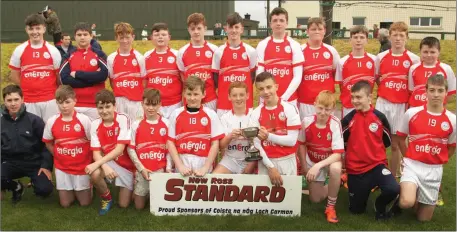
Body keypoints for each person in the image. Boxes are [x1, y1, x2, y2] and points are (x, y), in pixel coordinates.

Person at [396, 74, 456, 221]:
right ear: (426, 91)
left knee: (423, 219)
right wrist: (408, 158)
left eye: (440, 90)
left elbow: (451, 147)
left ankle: (417, 195)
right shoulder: (412, 113)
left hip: (434, 170)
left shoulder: (452, 120)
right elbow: (401, 138)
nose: (436, 94)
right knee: (406, 202)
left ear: (446, 93)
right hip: (413, 165)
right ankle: (406, 192)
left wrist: (438, 163)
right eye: (432, 90)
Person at [341, 80, 399, 220]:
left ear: (369, 97)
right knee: (356, 211)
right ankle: (354, 185)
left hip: (376, 166)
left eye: (359, 97)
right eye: (353, 97)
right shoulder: (348, 120)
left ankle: (379, 206)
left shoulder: (380, 118)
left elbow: (387, 142)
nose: (355, 100)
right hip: (355, 170)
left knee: (393, 189)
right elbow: (341, 143)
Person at [374, 22, 420, 179]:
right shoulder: (380, 57)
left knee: (395, 144)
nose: (398, 38)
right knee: (377, 142)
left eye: (402, 35)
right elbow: (377, 79)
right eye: (395, 35)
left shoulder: (414, 59)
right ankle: (377, 174)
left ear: (407, 37)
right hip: (383, 103)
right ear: (390, 36)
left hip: (401, 105)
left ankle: (393, 177)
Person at [85, 89, 135, 215]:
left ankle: (131, 183)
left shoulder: (123, 119)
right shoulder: (95, 124)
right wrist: (104, 167)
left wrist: (97, 164)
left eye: (108, 106)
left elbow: (120, 149)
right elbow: (96, 153)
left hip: (126, 165)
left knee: (124, 205)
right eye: (100, 107)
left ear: (114, 106)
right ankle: (107, 198)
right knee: (95, 174)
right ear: (96, 108)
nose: (104, 111)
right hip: (108, 161)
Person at [1, 85, 53, 203]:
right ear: (4, 101)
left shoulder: (35, 120)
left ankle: (36, 183)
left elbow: (46, 145)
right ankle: (16, 187)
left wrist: (46, 166)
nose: (13, 104)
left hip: (33, 162)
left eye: (16, 99)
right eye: (9, 100)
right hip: (10, 162)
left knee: (44, 190)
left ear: (22, 99)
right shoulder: (1, 123)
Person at [42, 85, 93, 207]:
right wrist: (58, 154)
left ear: (75, 101)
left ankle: (89, 186)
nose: (64, 106)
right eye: (60, 103)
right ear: (56, 103)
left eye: (67, 102)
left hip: (82, 167)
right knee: (65, 204)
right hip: (62, 167)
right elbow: (47, 142)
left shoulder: (84, 120)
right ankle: (71, 189)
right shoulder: (51, 121)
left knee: (84, 203)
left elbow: (93, 142)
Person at [298, 90, 344, 223]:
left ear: (333, 109)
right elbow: (301, 145)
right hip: (312, 161)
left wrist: (318, 166)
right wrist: (305, 166)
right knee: (315, 199)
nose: (323, 112)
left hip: (328, 162)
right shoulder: (306, 122)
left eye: (327, 109)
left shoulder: (335, 123)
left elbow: (338, 154)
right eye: (320, 108)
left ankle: (330, 206)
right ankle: (337, 183)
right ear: (314, 105)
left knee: (336, 168)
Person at [248, 72, 301, 186]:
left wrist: (268, 136)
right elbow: (256, 144)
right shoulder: (256, 113)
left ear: (276, 86)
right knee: (265, 202)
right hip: (266, 161)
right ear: (258, 91)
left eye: (269, 87)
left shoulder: (290, 109)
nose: (266, 92)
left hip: (287, 160)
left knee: (288, 201)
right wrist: (270, 167)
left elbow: (292, 141)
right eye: (261, 89)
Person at [8, 13, 61, 122]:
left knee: (50, 132)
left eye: (38, 28)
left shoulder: (53, 51)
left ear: (44, 29)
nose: (35, 32)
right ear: (26, 30)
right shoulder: (20, 50)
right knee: (30, 134)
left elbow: (58, 77)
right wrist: (29, 88)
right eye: (31, 29)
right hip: (28, 100)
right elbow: (14, 76)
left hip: (50, 100)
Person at [167, 76, 224, 177]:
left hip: (204, 162)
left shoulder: (211, 115)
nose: (192, 98)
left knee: (203, 193)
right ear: (184, 94)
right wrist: (180, 166)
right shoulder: (176, 114)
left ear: (204, 94)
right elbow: (170, 142)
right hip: (183, 162)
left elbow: (215, 144)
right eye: (189, 94)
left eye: (196, 94)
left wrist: (205, 167)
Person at [127, 88, 172, 210]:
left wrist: (167, 168)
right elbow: (130, 149)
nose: (150, 108)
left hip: (159, 170)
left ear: (160, 104)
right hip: (143, 170)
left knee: (158, 207)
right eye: (147, 104)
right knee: (139, 207)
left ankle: (152, 192)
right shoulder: (136, 124)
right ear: (142, 104)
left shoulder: (167, 124)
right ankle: (141, 191)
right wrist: (141, 169)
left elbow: (170, 150)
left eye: (154, 104)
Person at [60, 22, 109, 121]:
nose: (82, 37)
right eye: (79, 35)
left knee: (95, 135)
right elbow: (65, 79)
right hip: (74, 105)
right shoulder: (68, 56)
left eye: (85, 34)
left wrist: (77, 74)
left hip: (96, 105)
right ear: (74, 37)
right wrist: (93, 79)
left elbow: (103, 75)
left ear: (91, 36)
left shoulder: (99, 54)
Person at [256, 7, 304, 105]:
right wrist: (266, 94)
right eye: (275, 20)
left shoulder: (294, 45)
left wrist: (284, 98)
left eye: (281, 20)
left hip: (289, 100)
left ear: (286, 23)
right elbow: (259, 74)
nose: (278, 23)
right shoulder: (262, 44)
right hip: (267, 99)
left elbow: (298, 76)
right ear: (270, 24)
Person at [212, 12, 257, 117]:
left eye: (236, 27)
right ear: (225, 29)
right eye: (230, 27)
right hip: (224, 106)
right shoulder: (219, 52)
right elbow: (215, 79)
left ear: (242, 29)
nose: (233, 30)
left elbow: (252, 78)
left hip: (246, 105)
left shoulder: (250, 51)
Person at [297, 17, 340, 120]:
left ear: (324, 31)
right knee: (307, 133)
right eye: (313, 29)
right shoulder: (299, 50)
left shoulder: (331, 51)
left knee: (327, 133)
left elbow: (335, 74)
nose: (317, 32)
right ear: (307, 31)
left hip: (327, 104)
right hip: (306, 103)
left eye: (320, 29)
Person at [177, 13, 219, 111]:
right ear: (188, 30)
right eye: (193, 29)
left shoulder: (215, 50)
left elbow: (217, 76)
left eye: (199, 28)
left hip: (210, 99)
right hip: (191, 99)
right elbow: (183, 77)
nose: (196, 32)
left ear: (205, 28)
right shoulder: (182, 52)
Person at [213, 82, 256, 174]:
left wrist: (251, 163)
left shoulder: (254, 115)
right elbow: (221, 146)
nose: (238, 98)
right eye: (234, 95)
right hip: (230, 160)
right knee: (214, 179)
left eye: (241, 95)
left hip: (250, 159)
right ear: (229, 97)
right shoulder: (224, 118)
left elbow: (260, 144)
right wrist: (230, 136)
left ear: (247, 95)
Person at [107, 22, 146, 122]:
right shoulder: (111, 58)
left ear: (133, 37)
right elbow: (112, 81)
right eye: (121, 37)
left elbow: (144, 82)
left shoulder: (140, 57)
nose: (124, 41)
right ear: (116, 38)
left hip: (136, 102)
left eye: (127, 37)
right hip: (119, 102)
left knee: (136, 131)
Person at [335, 25, 377, 118]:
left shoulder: (374, 60)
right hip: (348, 106)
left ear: (367, 40)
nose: (358, 40)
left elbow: (376, 82)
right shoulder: (342, 62)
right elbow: (341, 86)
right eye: (355, 37)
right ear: (350, 40)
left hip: (367, 106)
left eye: (362, 37)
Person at [144, 23, 182, 119]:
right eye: (156, 35)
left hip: (174, 104)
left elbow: (183, 79)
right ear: (151, 38)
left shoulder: (177, 55)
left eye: (163, 35)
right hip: (154, 105)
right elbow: (144, 82)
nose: (160, 37)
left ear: (169, 37)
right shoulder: (146, 57)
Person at [408, 37, 456, 109]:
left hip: (436, 110)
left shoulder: (446, 69)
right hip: (416, 109)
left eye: (432, 52)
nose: (429, 55)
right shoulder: (413, 68)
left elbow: (450, 93)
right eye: (425, 52)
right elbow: (411, 91)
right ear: (420, 51)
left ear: (439, 52)